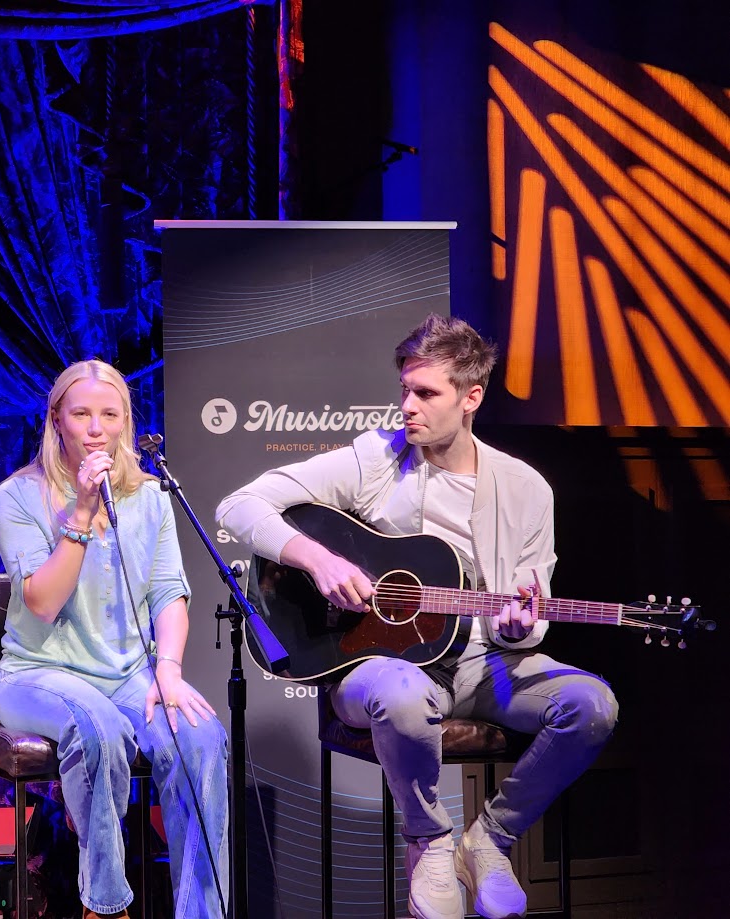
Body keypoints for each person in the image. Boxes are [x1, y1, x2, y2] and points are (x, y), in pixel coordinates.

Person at [216, 314, 618, 919]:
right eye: (404, 389)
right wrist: (319, 560)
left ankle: (490, 841)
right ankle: (430, 841)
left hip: (488, 662)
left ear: (471, 397)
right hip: (384, 662)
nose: (407, 406)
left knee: (592, 707)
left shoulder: (527, 488)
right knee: (404, 693)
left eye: (426, 393)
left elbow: (531, 613)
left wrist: (518, 626)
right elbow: (239, 503)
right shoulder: (377, 457)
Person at [0, 359, 229, 919]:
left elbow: (170, 590)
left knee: (200, 736)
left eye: (109, 414)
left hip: (130, 674)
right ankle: (107, 904)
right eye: (81, 414)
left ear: (124, 423)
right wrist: (80, 510)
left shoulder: (150, 497)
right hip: (38, 674)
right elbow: (42, 604)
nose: (96, 427)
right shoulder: (17, 497)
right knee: (99, 729)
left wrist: (168, 667)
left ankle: (203, 913)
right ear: (57, 422)